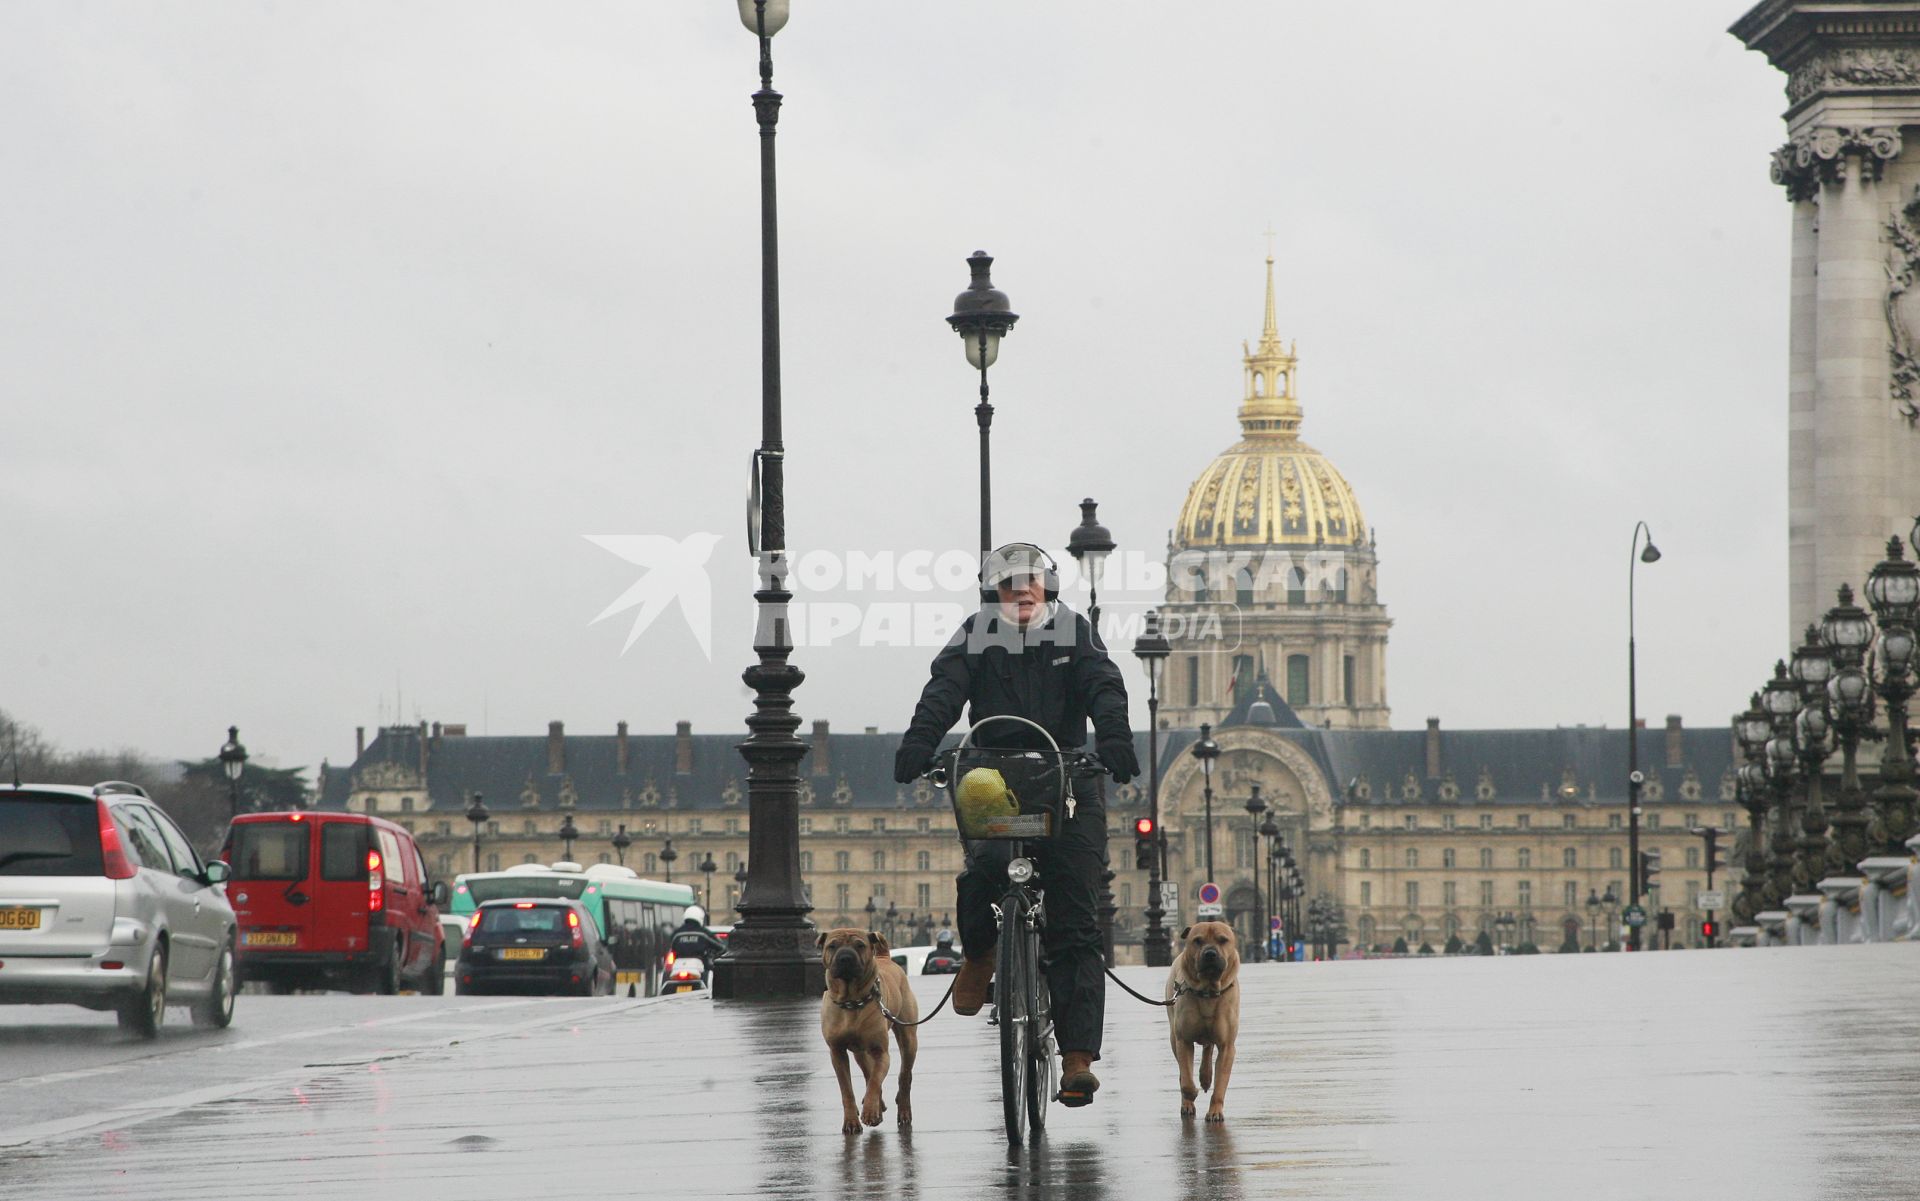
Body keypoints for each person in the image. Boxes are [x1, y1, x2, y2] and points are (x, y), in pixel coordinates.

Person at [892, 541, 1137, 1107]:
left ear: (1047, 587)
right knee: (982, 877)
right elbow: (944, 691)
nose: (1021, 592)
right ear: (992, 595)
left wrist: (1115, 739)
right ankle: (980, 952)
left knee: (1076, 918)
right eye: (1008, 585)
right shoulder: (975, 633)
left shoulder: (1075, 631)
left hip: (1067, 775)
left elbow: (1104, 685)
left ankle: (1076, 1058)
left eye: (1030, 581)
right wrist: (919, 742)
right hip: (993, 777)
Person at [668, 905, 725, 973]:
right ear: (700, 918)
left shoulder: (676, 934)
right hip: (700, 968)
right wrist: (714, 956)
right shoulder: (703, 933)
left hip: (678, 968)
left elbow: (671, 948)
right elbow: (721, 947)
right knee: (711, 976)